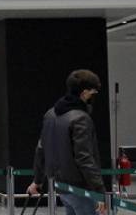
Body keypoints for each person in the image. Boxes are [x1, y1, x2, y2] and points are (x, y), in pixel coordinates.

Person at [28, 70, 107, 215]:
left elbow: (41, 150)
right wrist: (99, 190)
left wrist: (37, 180)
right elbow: (84, 158)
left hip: (62, 187)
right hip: (80, 188)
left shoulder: (50, 114)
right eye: (93, 92)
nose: (94, 96)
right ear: (84, 93)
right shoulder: (81, 119)